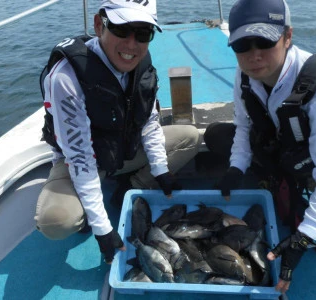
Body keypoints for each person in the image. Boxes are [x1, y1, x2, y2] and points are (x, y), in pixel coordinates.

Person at [204, 0, 316, 293]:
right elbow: (244, 126)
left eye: (264, 40)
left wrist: (305, 235)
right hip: (280, 149)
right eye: (242, 45)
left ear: (287, 36)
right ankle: (276, 183)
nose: (254, 55)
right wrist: (236, 168)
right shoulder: (245, 74)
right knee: (215, 135)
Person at [35, 0, 200, 265]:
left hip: (124, 150)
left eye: (143, 33)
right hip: (78, 163)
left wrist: (161, 171)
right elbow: (80, 159)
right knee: (56, 221)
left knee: (190, 138)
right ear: (99, 25)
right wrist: (103, 228)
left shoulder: (141, 63)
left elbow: (149, 121)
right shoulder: (66, 78)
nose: (132, 44)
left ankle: (128, 187)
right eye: (122, 30)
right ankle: (86, 213)